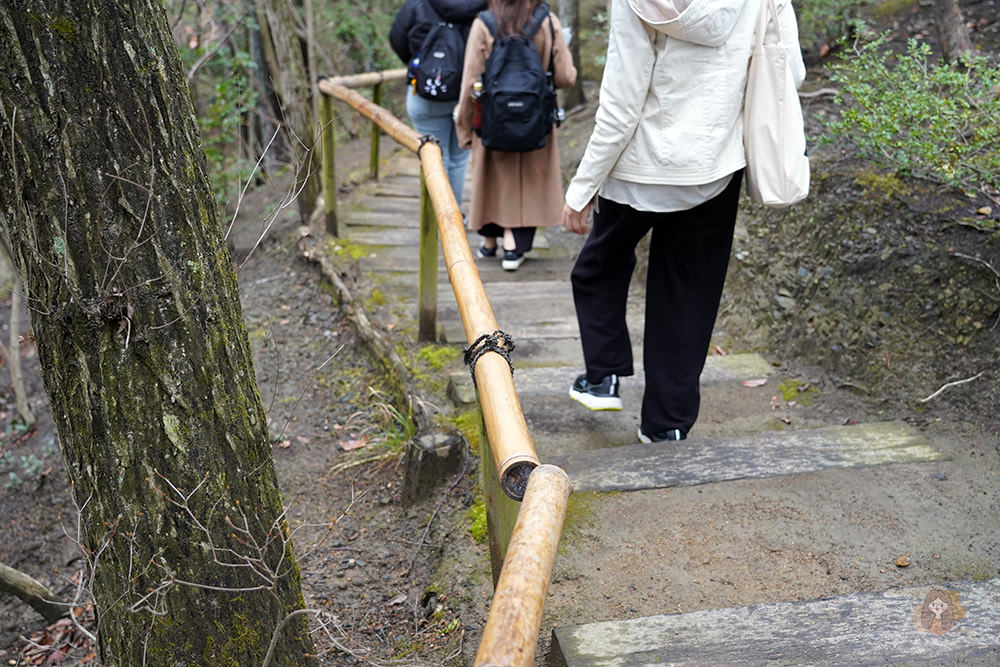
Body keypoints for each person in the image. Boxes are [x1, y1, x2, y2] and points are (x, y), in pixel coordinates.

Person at [562, 0, 806, 441]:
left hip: (639, 168)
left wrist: (583, 188)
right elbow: (793, 72)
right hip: (714, 164)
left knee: (597, 268)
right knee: (688, 294)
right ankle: (666, 425)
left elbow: (622, 98)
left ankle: (603, 375)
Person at [454, 0, 577, 271]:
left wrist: (464, 128)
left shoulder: (484, 23)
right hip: (534, 119)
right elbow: (566, 77)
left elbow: (470, 82)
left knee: (491, 176)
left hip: (492, 119)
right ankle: (514, 244)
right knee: (527, 180)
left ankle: (491, 241)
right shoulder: (547, 21)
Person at [390, 0, 487, 208]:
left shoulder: (417, 5)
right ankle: (454, 221)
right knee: (458, 162)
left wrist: (420, 66)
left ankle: (436, 225)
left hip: (426, 94)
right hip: (467, 96)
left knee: (434, 160)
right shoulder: (483, 7)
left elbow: (397, 39)